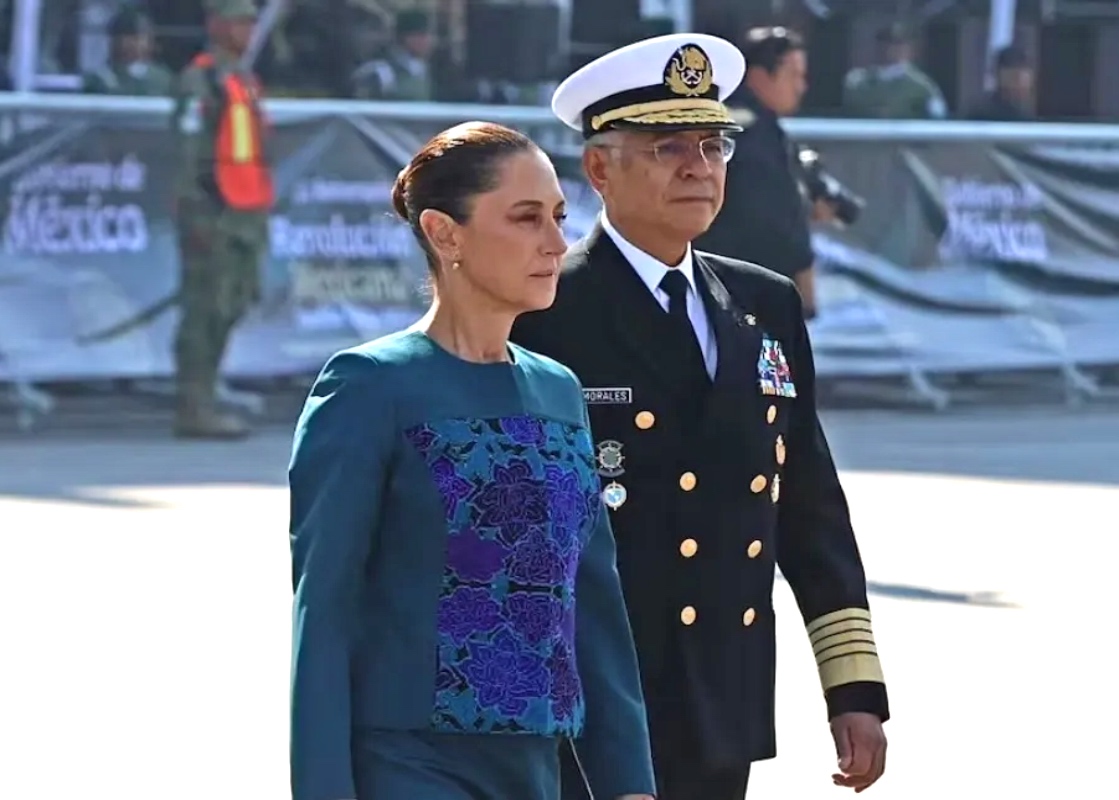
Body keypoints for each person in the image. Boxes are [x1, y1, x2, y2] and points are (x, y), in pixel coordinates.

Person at [511, 33, 890, 800]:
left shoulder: (765, 304)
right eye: (666, 147)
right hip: (593, 702)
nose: (699, 167)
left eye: (713, 145)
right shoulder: (544, 308)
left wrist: (852, 689)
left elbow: (809, 506)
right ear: (598, 169)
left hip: (724, 693)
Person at [289, 121, 656, 800]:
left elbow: (594, 604)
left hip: (537, 769)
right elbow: (325, 613)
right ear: (444, 232)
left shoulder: (558, 389)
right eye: (525, 218)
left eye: (557, 217)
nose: (555, 242)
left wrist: (629, 780)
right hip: (408, 767)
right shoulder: (369, 385)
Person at [170, 0, 273, 439]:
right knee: (205, 308)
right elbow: (187, 152)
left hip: (245, 211)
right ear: (214, 25)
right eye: (237, 22)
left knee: (233, 303)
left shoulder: (243, 78)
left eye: (250, 22)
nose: (246, 30)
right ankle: (194, 404)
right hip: (213, 210)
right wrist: (193, 212)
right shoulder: (201, 79)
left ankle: (208, 392)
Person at [694, 26, 823, 318]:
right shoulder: (750, 133)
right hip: (745, 295)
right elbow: (771, 219)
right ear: (760, 76)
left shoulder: (749, 125)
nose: (801, 86)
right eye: (794, 76)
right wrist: (803, 274)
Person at [842, 23, 946, 120]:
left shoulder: (922, 86)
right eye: (888, 44)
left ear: (910, 49)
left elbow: (938, 118)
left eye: (900, 45)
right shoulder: (857, 81)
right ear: (878, 47)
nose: (893, 50)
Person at [82, 8, 173, 96]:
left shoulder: (162, 79)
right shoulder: (97, 81)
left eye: (137, 37)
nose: (128, 43)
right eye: (122, 36)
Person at [350, 9, 436, 101]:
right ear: (404, 37)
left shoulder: (425, 70)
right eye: (421, 35)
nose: (427, 40)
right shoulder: (379, 72)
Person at [968, 44, 1036, 121]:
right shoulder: (980, 114)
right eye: (1016, 77)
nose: (1022, 85)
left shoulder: (1026, 118)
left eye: (1026, 79)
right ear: (999, 76)